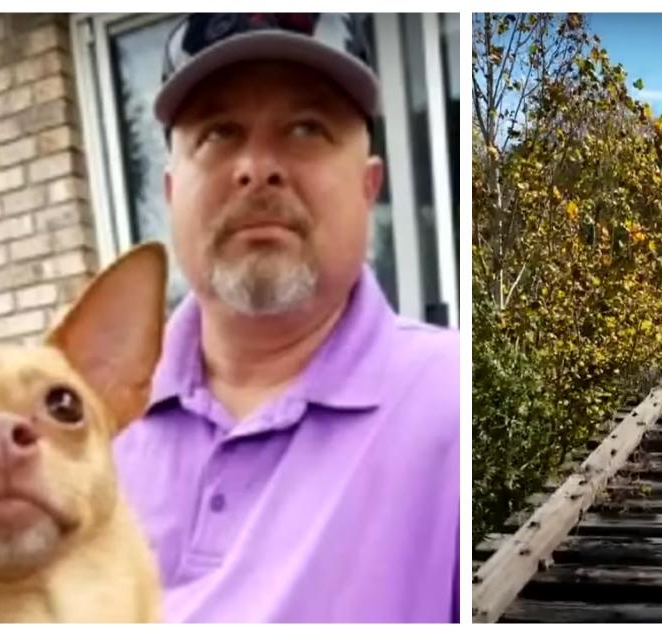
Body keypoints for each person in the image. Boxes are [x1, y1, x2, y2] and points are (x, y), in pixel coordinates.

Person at [112, 13, 459, 623]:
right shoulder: (82, 421)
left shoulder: (453, 405)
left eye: (306, 128)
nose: (257, 167)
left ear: (367, 186)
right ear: (170, 192)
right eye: (219, 132)